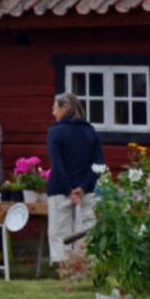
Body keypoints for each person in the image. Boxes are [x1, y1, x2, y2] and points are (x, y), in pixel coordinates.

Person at [46, 91, 104, 274]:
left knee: (59, 233)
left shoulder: (55, 132)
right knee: (87, 232)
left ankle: (65, 272)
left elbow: (58, 165)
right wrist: (83, 187)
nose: (52, 111)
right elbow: (98, 164)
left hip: (60, 190)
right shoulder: (90, 131)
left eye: (55, 107)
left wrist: (68, 190)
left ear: (65, 107)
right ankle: (85, 271)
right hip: (86, 191)